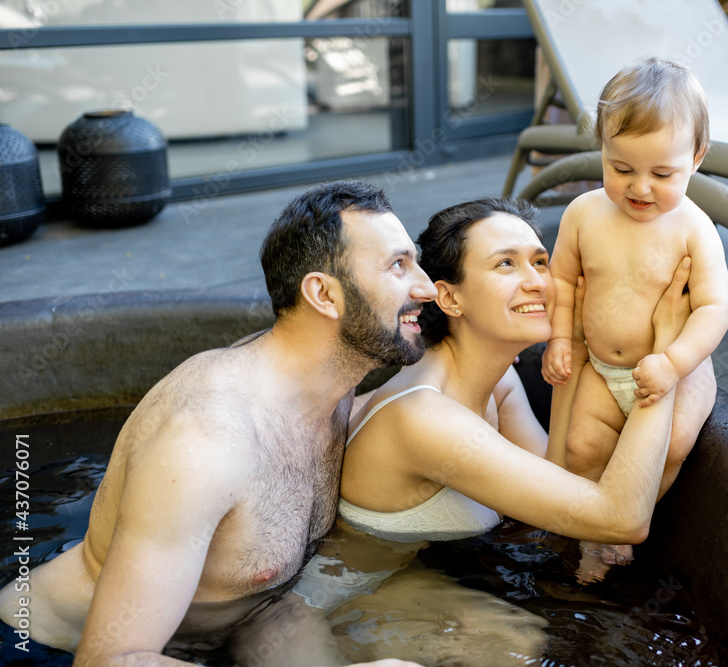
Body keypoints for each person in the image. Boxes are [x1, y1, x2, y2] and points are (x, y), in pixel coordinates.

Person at [227, 196, 696, 666]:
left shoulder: (498, 383)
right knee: (512, 646)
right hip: (316, 611)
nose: (537, 281)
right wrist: (665, 361)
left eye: (540, 261)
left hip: (404, 571)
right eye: (506, 265)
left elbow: (557, 485)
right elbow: (622, 518)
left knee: (518, 638)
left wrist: (572, 343)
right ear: (450, 297)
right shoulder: (426, 418)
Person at [0, 180, 432, 667]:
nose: (428, 288)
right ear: (324, 296)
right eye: (399, 265)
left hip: (249, 619)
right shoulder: (207, 442)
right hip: (46, 650)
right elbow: (108, 661)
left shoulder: (327, 383)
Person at [541, 57, 728, 581]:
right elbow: (562, 281)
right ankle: (593, 538)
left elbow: (716, 308)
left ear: (696, 158)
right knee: (582, 449)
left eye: (662, 174)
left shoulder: (694, 228)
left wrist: (673, 363)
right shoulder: (584, 214)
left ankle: (632, 519)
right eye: (620, 168)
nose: (639, 188)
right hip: (604, 370)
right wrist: (559, 338)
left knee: (668, 448)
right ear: (601, 149)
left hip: (681, 372)